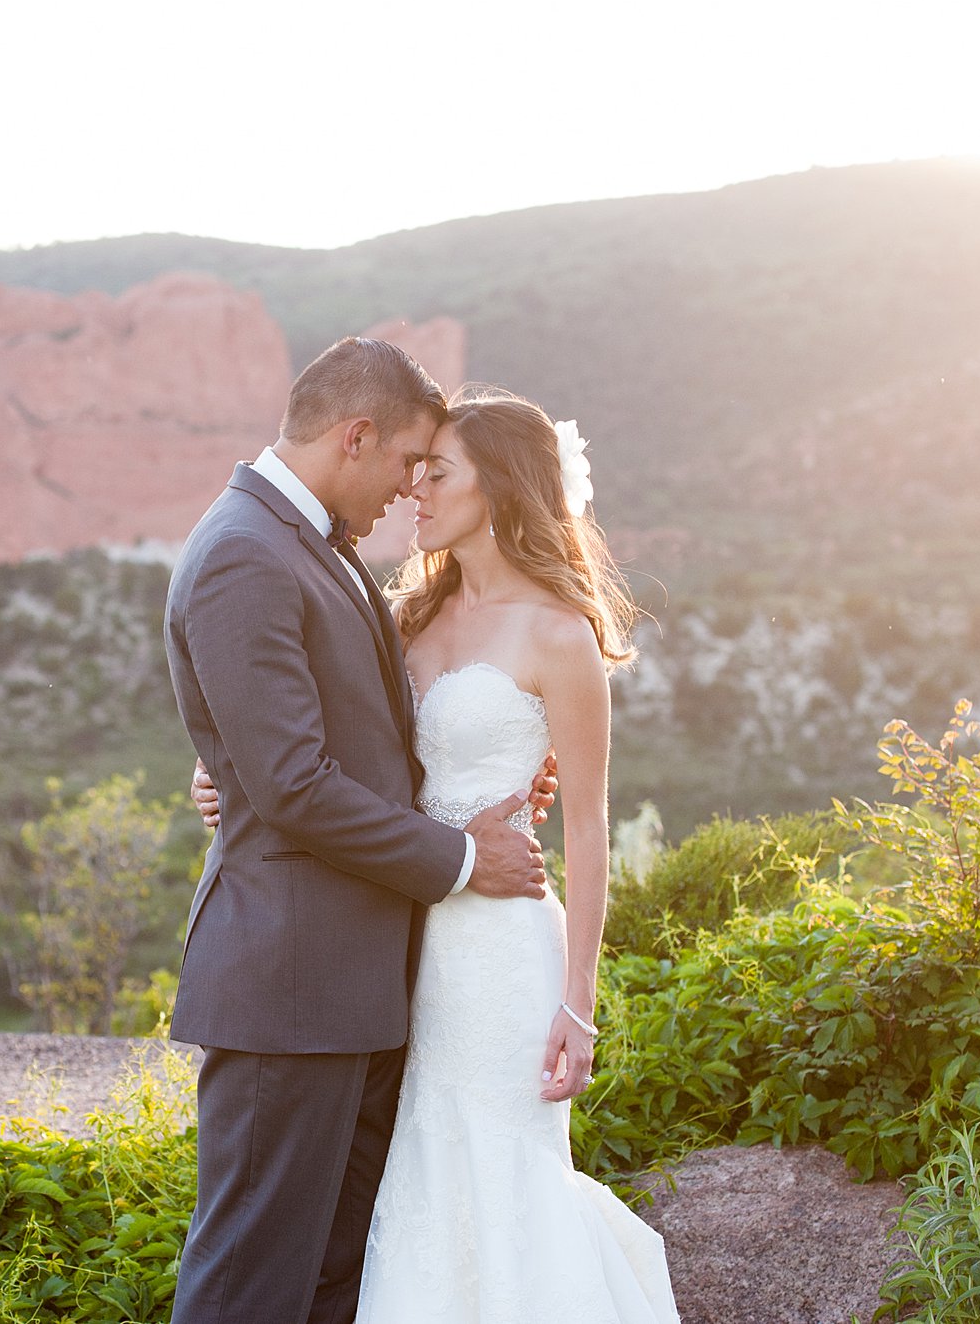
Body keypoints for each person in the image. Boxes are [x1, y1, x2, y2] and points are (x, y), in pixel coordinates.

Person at [190, 389, 682, 1322]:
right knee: (414, 1182)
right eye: (414, 469)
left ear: (496, 487)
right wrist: (227, 780)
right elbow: (312, 743)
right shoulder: (402, 613)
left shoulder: (558, 634)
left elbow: (587, 825)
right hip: (401, 947)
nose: (416, 488)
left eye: (438, 470)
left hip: (502, 953)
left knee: (500, 1178)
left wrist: (579, 1004)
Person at [163, 338, 555, 1324]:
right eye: (406, 462)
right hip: (286, 987)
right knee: (250, 1282)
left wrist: (494, 780)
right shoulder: (243, 554)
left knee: (337, 1275)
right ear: (355, 435)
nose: (408, 489)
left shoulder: (306, 545)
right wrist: (466, 857)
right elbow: (292, 782)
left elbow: (334, 738)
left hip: (358, 985)